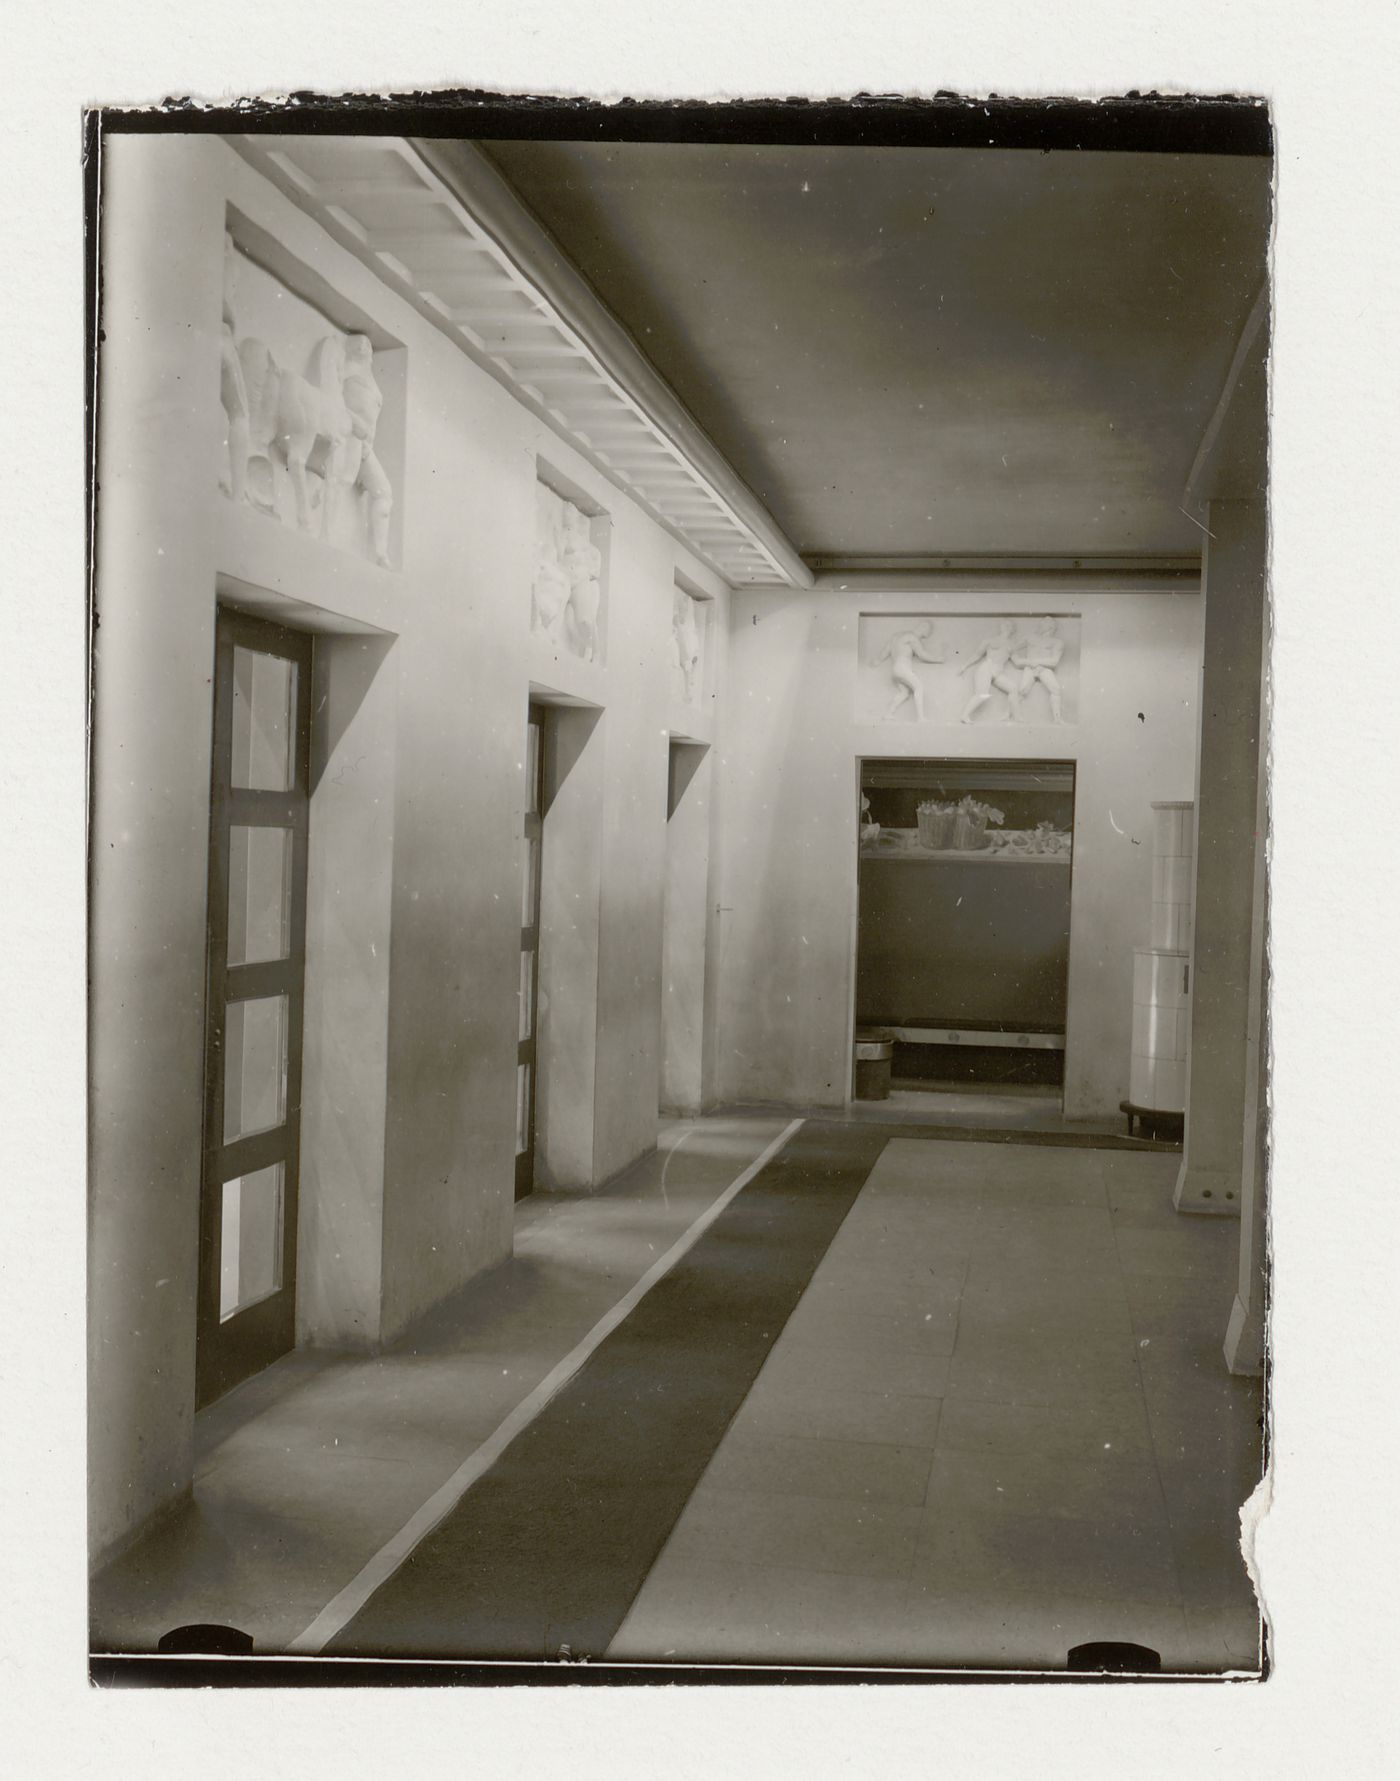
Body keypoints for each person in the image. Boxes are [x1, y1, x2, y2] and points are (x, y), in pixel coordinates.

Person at [875, 622, 944, 722]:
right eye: (929, 630)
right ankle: (920, 718)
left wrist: (877, 661)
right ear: (923, 627)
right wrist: (938, 659)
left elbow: (885, 651)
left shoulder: (896, 636)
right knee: (919, 687)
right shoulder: (912, 637)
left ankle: (888, 714)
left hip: (895, 670)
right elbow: (922, 654)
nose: (929, 633)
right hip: (903, 668)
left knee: (904, 693)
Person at [958, 619, 1021, 723]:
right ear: (1001, 627)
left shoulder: (1012, 645)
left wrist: (1033, 663)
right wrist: (965, 666)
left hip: (998, 673)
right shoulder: (990, 641)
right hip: (987, 668)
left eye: (1010, 626)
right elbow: (977, 655)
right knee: (982, 694)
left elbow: (1017, 662)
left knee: (1013, 688)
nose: (1007, 627)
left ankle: (1013, 716)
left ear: (1013, 630)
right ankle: (964, 715)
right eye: (1005, 624)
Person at [1010, 615, 1066, 723]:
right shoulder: (1030, 637)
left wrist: (1037, 662)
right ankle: (1009, 714)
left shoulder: (1057, 642)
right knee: (1022, 691)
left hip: (1044, 668)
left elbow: (1054, 661)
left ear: (1051, 627)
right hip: (1030, 667)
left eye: (1043, 624)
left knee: (1056, 689)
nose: (1040, 626)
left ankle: (1057, 718)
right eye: (1041, 623)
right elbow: (1011, 648)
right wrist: (1017, 660)